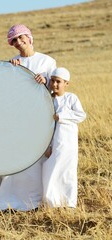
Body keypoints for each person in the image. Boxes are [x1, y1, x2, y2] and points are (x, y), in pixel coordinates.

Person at [0, 24, 57, 212]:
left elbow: (55, 88)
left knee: (37, 154)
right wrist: (11, 71)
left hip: (40, 114)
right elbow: (7, 90)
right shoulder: (13, 62)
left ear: (30, 38)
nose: (19, 42)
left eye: (22, 38)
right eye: (15, 41)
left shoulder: (47, 61)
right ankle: (12, 201)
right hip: (19, 115)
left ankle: (36, 201)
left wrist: (45, 81)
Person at [42, 67, 86, 208]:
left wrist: (61, 116)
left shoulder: (71, 98)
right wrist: (46, 147)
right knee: (50, 170)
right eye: (52, 81)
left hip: (68, 143)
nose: (54, 84)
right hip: (52, 143)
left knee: (67, 172)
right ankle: (51, 202)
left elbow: (81, 115)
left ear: (66, 83)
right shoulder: (47, 98)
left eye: (58, 82)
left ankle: (68, 202)